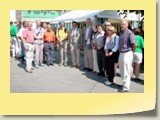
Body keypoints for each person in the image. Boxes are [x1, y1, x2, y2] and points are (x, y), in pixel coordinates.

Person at [118, 19, 136, 92]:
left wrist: (132, 51)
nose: (122, 25)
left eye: (123, 24)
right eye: (121, 24)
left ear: (127, 24)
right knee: (121, 70)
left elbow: (134, 44)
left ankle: (126, 87)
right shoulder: (121, 33)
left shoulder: (130, 33)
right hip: (121, 53)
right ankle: (124, 84)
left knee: (126, 71)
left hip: (127, 53)